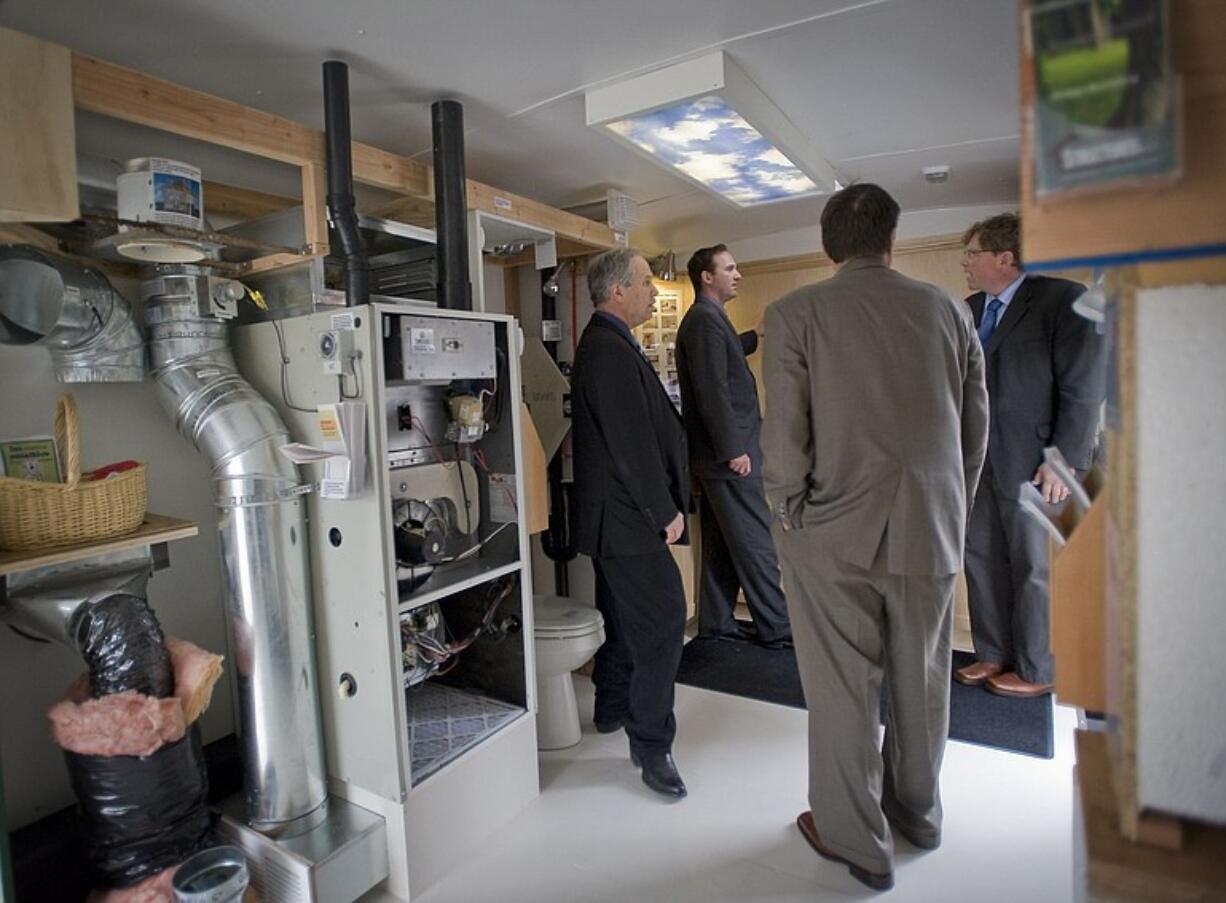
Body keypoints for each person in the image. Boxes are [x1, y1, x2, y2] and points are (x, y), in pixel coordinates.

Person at [763, 183, 988, 891]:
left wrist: (787, 514)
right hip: (931, 523)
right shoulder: (949, 309)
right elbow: (973, 429)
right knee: (924, 680)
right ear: (892, 240)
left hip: (831, 530)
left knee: (842, 689)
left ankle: (857, 839)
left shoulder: (793, 313)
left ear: (829, 246)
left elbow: (784, 438)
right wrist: (950, 504)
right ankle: (918, 814)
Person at [955, 213, 1106, 697]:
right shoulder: (969, 309)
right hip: (978, 463)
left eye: (972, 254)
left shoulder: (1064, 300)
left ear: (1005, 257)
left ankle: (1039, 669)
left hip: (1040, 463)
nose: (966, 263)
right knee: (981, 558)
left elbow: (1084, 386)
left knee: (1035, 566)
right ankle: (993, 652)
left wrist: (1063, 460)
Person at [570, 247, 691, 800]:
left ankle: (611, 707)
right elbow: (631, 446)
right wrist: (663, 511)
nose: (653, 291)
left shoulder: (608, 343)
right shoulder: (606, 349)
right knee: (665, 617)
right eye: (645, 282)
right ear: (617, 290)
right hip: (627, 519)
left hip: (615, 518)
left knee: (621, 616)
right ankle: (651, 744)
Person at [676, 244, 792, 648]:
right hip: (730, 457)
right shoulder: (705, 322)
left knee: (723, 543)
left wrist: (753, 336)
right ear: (707, 277)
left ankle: (716, 622)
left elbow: (720, 359)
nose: (737, 274)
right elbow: (713, 390)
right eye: (730, 268)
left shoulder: (708, 320)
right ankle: (778, 628)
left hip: (717, 459)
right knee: (755, 540)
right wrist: (734, 450)